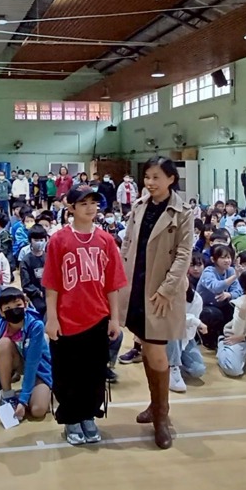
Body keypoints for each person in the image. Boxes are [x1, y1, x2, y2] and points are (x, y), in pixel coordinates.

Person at [118, 157, 195, 448]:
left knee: (157, 352)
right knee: (147, 349)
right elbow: (127, 244)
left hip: (161, 291)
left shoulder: (183, 212)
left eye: (156, 177)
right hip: (136, 286)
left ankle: (162, 415)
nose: (150, 183)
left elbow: (184, 254)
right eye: (147, 177)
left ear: (171, 179)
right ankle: (154, 405)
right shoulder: (139, 206)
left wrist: (166, 289)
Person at [43, 184, 127, 447]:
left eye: (94, 202)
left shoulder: (106, 240)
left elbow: (112, 284)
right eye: (83, 203)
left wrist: (114, 318)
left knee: (94, 373)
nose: (90, 208)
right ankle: (71, 418)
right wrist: (52, 318)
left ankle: (89, 415)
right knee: (68, 373)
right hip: (67, 319)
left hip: (98, 317)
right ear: (71, 208)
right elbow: (52, 284)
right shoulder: (59, 240)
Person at [0, 286, 52, 420]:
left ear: (25, 305)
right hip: (17, 364)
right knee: (3, 344)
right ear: (1, 312)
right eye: (8, 308)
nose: (14, 310)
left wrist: (23, 401)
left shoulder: (36, 326)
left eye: (18, 305)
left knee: (38, 410)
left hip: (38, 369)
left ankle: (36, 393)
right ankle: (8, 396)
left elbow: (32, 364)